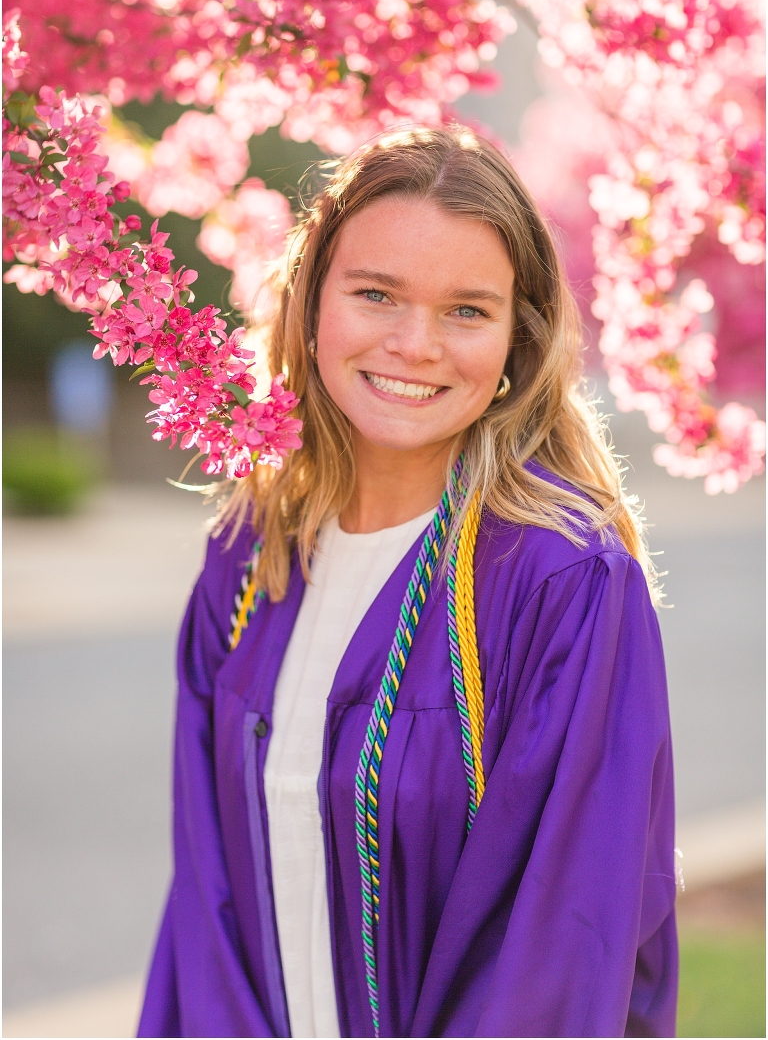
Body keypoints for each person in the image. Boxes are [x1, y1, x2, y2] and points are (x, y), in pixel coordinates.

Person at [138, 126, 677, 1039]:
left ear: (517, 340)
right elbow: (206, 897)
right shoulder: (251, 555)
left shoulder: (563, 582)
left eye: (467, 310)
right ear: (313, 302)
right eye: (376, 293)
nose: (415, 343)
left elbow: (560, 949)